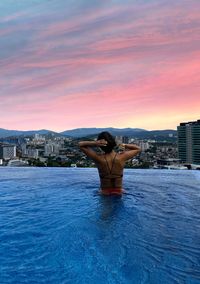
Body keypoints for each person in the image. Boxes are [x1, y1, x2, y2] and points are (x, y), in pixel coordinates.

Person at [78, 131, 141, 196]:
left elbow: (81, 145)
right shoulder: (122, 157)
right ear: (113, 143)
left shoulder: (98, 159)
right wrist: (124, 145)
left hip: (104, 192)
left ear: (100, 146)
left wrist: (95, 143)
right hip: (119, 192)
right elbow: (138, 149)